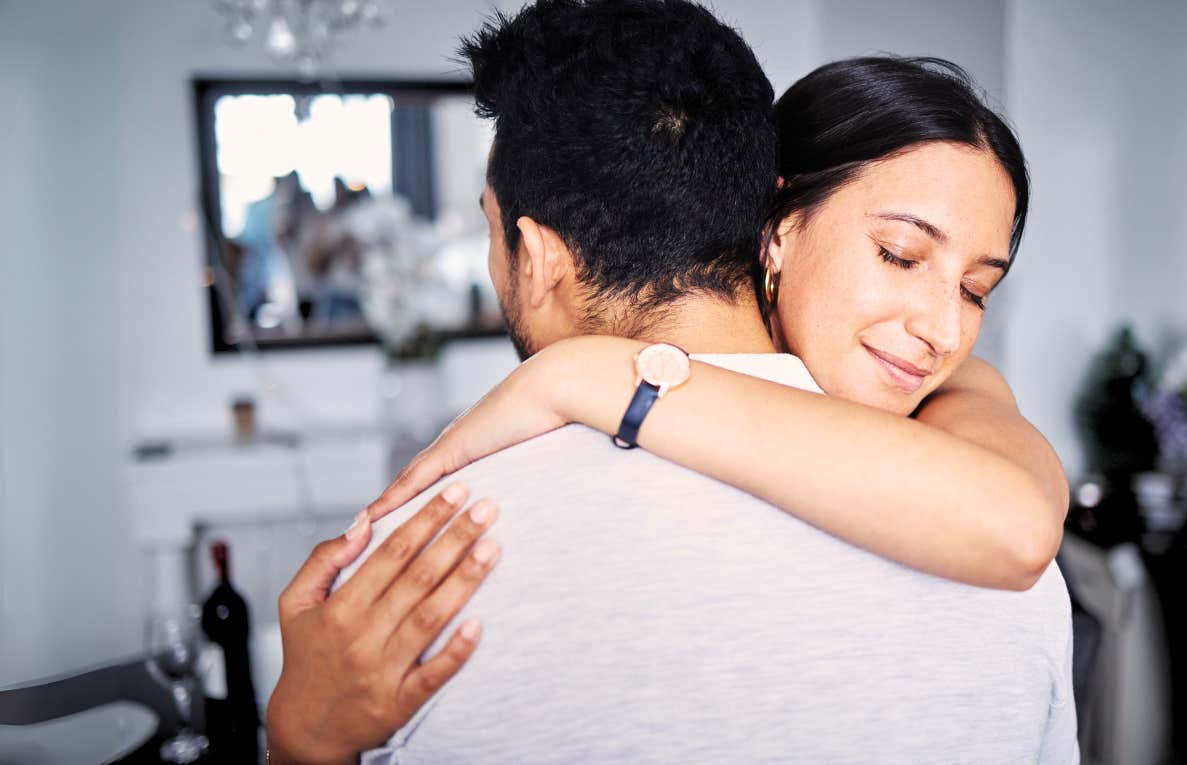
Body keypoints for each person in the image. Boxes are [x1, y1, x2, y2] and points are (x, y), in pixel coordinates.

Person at [267, 1, 1077, 762]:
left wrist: (299, 741)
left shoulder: (420, 566)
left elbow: (1015, 518)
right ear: (776, 224)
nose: (943, 330)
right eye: (900, 256)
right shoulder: (1013, 574)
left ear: (538, 256)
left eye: (977, 290)